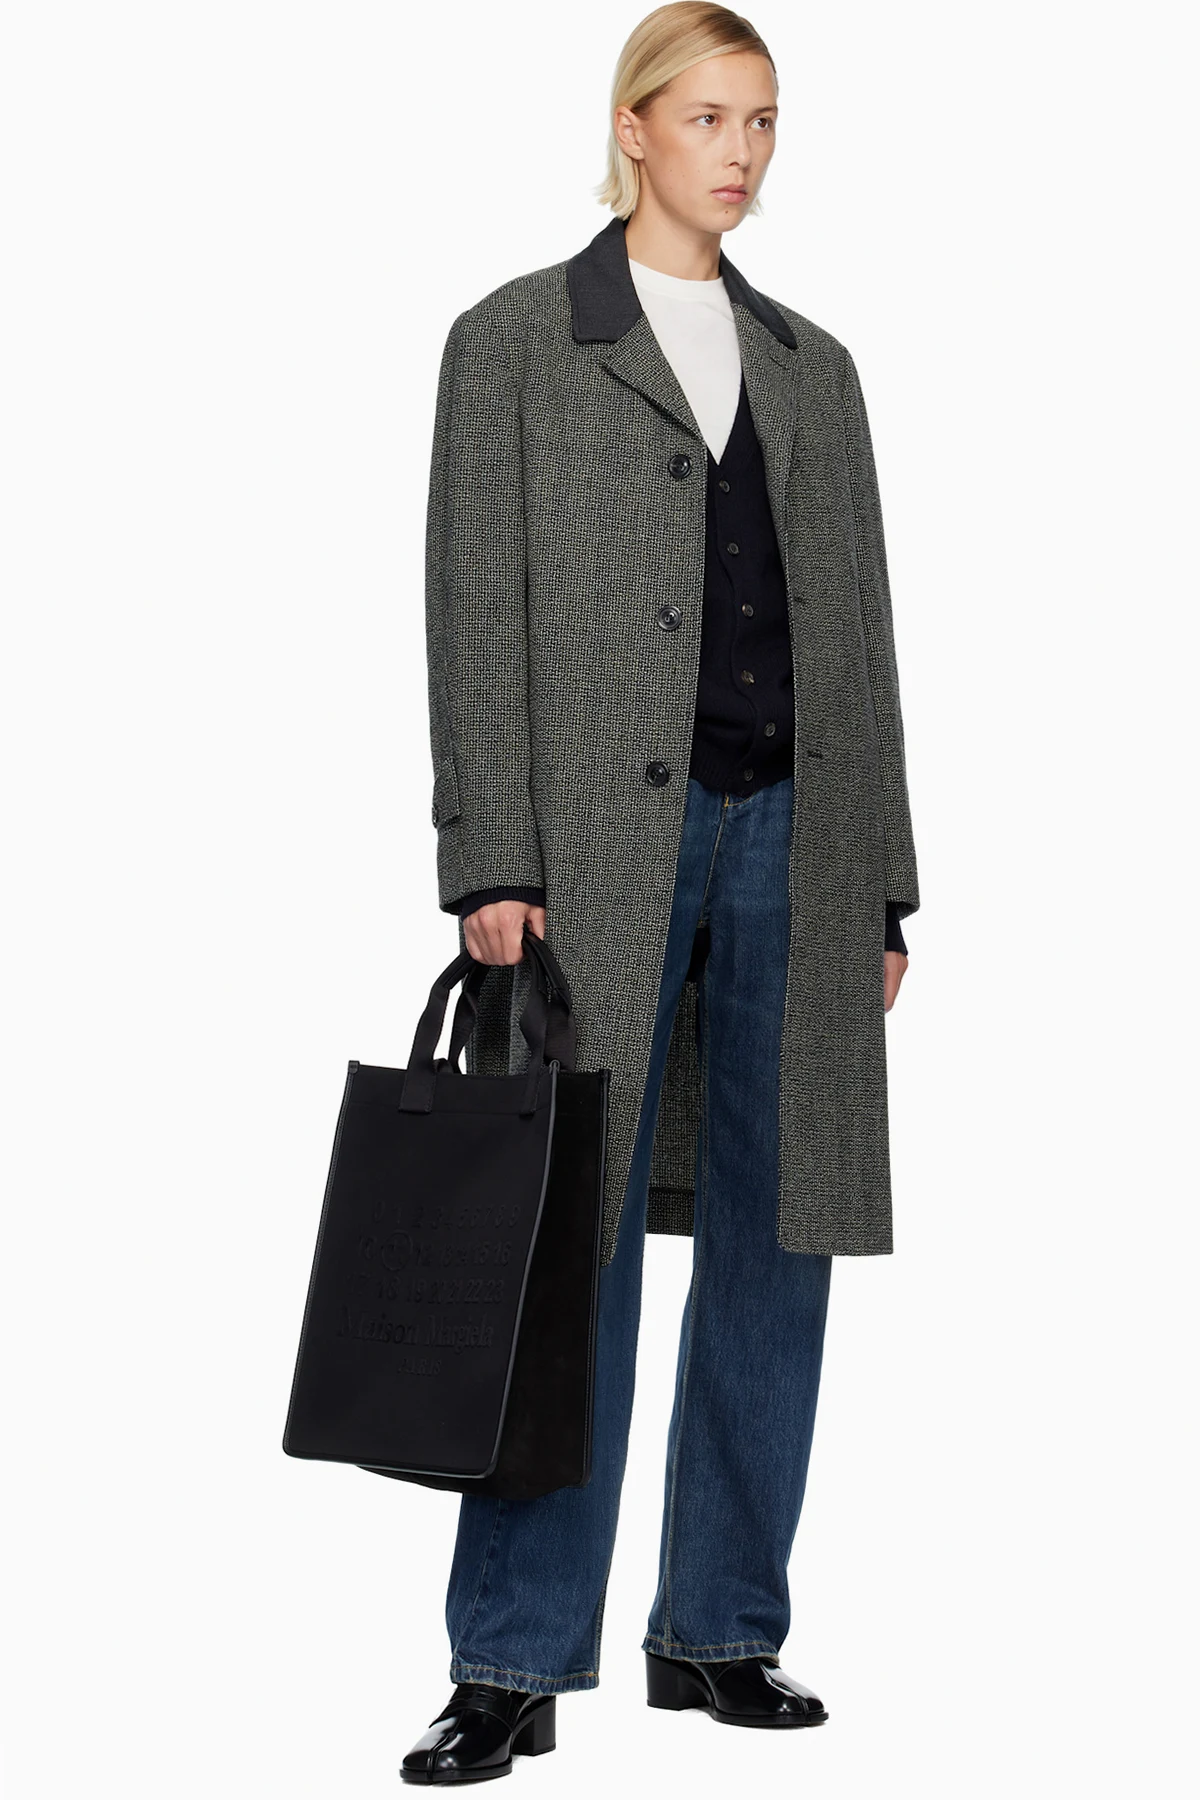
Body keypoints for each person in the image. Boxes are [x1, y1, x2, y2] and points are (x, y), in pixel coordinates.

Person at [404, 2, 921, 1782]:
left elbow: (863, 638)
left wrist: (884, 886)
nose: (742, 152)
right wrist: (493, 859)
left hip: (800, 834)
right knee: (571, 1249)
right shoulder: (516, 342)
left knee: (782, 1241)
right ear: (632, 129)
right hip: (596, 860)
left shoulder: (813, 366)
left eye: (762, 120)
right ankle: (510, 1661)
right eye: (708, 117)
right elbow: (474, 613)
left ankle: (722, 1629)